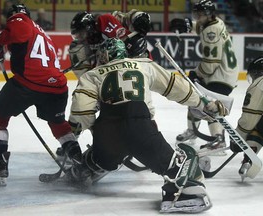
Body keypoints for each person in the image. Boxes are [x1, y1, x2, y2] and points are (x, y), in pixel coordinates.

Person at [64, 38, 229, 213]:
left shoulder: (92, 74)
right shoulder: (143, 65)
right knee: (178, 164)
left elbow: (81, 111)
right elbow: (177, 88)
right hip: (140, 128)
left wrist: (92, 131)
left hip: (107, 133)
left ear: (104, 56)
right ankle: (183, 195)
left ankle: (86, 167)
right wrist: (204, 104)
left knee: (100, 156)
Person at [0, 4, 81, 186]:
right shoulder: (42, 33)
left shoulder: (19, 19)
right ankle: (80, 162)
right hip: (57, 86)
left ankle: (1, 164)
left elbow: (17, 30)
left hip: (28, 84)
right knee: (58, 125)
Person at [56, 10, 152, 157]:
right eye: (76, 35)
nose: (80, 38)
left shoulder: (104, 21)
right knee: (79, 105)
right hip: (106, 76)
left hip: (131, 68)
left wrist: (139, 17)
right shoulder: (80, 47)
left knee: (138, 108)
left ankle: (146, 140)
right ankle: (71, 141)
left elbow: (123, 37)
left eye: (81, 33)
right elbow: (86, 75)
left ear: (88, 27)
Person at [170, 0, 239, 152]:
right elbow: (202, 26)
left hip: (221, 75)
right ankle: (193, 131)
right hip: (221, 72)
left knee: (209, 106)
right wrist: (188, 24)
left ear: (209, 15)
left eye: (201, 15)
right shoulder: (214, 22)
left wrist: (196, 73)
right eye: (197, 15)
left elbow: (210, 64)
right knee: (194, 97)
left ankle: (218, 139)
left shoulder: (211, 32)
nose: (199, 18)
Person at [230, 56, 263, 180]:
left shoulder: (259, 83)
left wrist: (238, 138)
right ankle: (249, 157)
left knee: (258, 126)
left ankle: (249, 158)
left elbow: (250, 118)